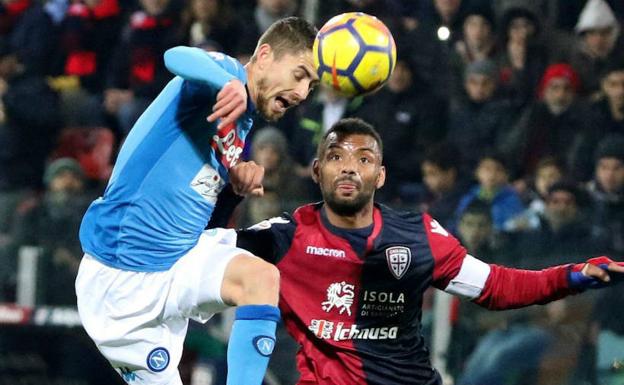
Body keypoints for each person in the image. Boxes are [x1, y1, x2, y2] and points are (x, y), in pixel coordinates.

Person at [209, 117, 624, 385]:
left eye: (364, 158)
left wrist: (573, 276)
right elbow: (201, 249)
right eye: (336, 156)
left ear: (381, 175)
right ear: (317, 171)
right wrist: (229, 194)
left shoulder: (418, 234)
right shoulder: (286, 235)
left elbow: (495, 286)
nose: (350, 166)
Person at [75, 16, 319, 385]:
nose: (303, 93)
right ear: (265, 56)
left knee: (260, 278)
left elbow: (203, 221)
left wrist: (232, 193)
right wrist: (228, 82)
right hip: (122, 280)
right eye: (300, 74)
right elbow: (178, 56)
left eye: (311, 85)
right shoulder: (222, 76)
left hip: (178, 261)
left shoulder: (240, 124)